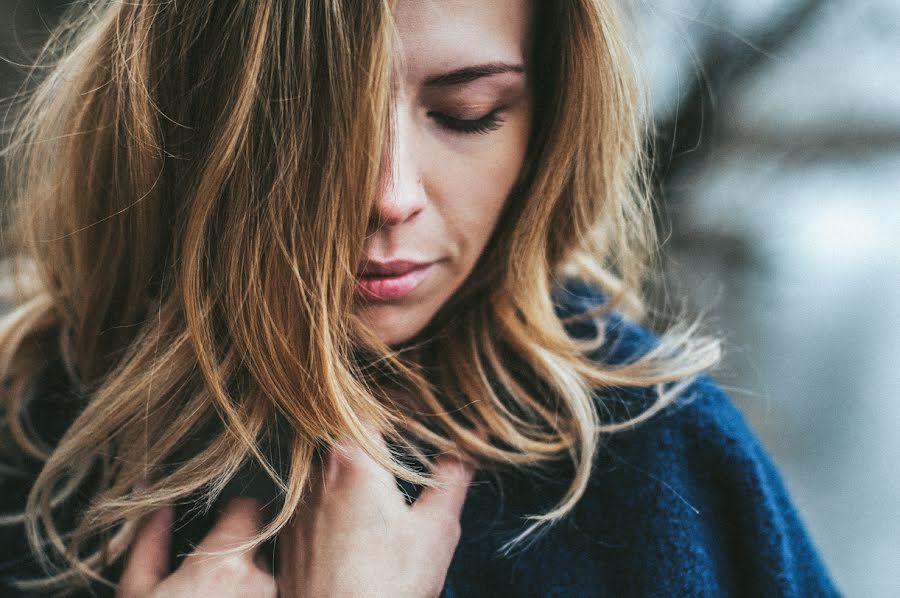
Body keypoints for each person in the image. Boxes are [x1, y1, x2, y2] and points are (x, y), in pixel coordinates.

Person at [0, 0, 839, 596]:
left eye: (469, 113)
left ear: (547, 118)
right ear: (184, 115)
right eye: (317, 122)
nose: (391, 194)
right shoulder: (27, 437)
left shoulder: (652, 457)